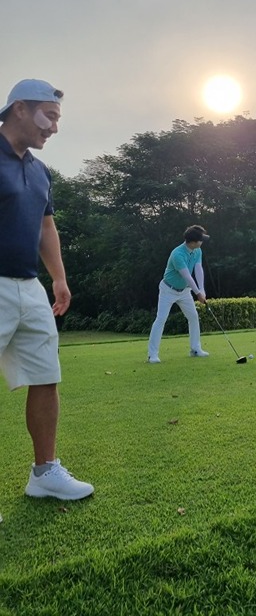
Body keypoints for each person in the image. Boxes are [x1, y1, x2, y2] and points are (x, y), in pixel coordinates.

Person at [0, 79, 94, 509]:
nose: (54, 127)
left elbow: (45, 226)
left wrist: (58, 277)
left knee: (46, 374)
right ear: (19, 109)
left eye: (58, 118)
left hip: (29, 286)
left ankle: (44, 473)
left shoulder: (39, 171)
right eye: (49, 116)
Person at [147, 225, 210, 363]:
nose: (202, 242)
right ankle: (152, 355)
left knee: (193, 317)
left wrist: (202, 290)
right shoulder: (177, 254)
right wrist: (198, 293)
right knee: (161, 319)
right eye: (201, 240)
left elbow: (198, 269)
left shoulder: (197, 250)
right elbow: (187, 275)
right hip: (168, 290)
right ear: (193, 242)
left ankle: (195, 349)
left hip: (184, 291)